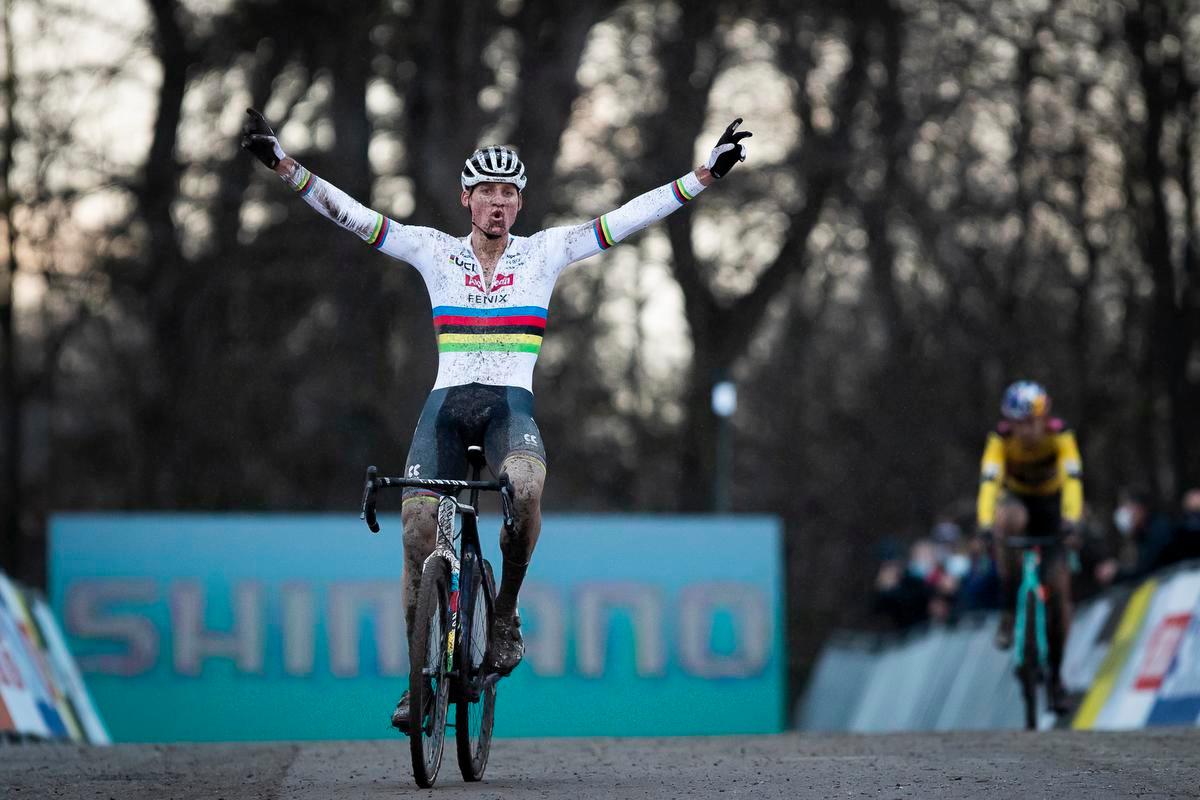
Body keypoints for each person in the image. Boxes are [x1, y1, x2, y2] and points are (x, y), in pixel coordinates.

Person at [240, 109, 752, 730]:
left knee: (528, 489)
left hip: (511, 405)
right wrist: (283, 166)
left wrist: (704, 174)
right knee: (414, 530)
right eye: (487, 192)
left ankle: (504, 613)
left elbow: (627, 218)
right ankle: (418, 685)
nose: (498, 203)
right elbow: (353, 217)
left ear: (520, 202)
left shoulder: (546, 252)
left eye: (509, 193)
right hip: (447, 407)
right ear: (467, 200)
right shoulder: (433, 251)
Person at [976, 380, 1082, 713]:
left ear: (1044, 417)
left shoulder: (1060, 435)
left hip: (1051, 507)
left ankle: (1056, 678)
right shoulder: (1000, 439)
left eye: (1032, 422)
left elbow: (1073, 480)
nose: (1027, 430)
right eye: (1020, 423)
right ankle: (1009, 605)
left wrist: (1072, 518)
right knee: (1005, 521)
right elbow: (989, 482)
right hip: (1018, 501)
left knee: (1059, 590)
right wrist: (983, 523)